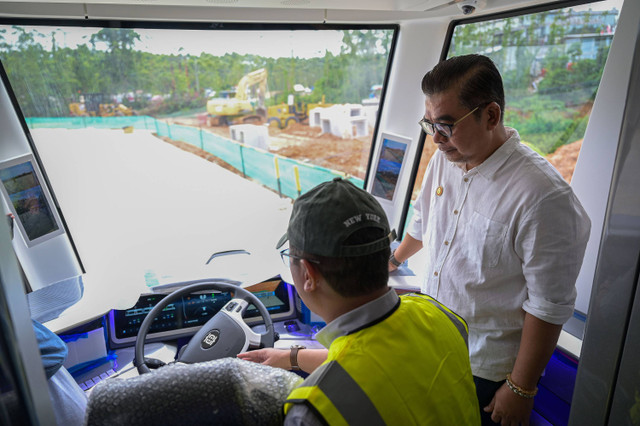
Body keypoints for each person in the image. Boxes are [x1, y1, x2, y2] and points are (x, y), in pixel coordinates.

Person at [388, 54, 591, 425]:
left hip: (487, 368)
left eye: (446, 125)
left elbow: (548, 306)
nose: (436, 139)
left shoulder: (541, 196)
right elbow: (422, 221)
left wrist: (520, 387)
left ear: (491, 116)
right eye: (429, 124)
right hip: (434, 339)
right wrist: (394, 260)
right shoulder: (445, 160)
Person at [240, 177, 480, 425]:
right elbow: (383, 361)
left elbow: (362, 364)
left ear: (308, 275)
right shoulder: (442, 316)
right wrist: (292, 357)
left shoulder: (315, 411)